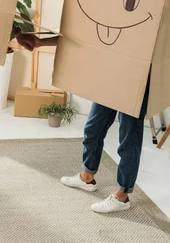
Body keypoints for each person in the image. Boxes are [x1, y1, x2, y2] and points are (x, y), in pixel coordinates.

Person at [16, 33, 149, 213]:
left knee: (128, 138)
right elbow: (85, 32)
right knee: (93, 128)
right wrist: (42, 41)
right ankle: (87, 177)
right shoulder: (108, 10)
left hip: (138, 76)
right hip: (112, 72)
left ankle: (122, 196)